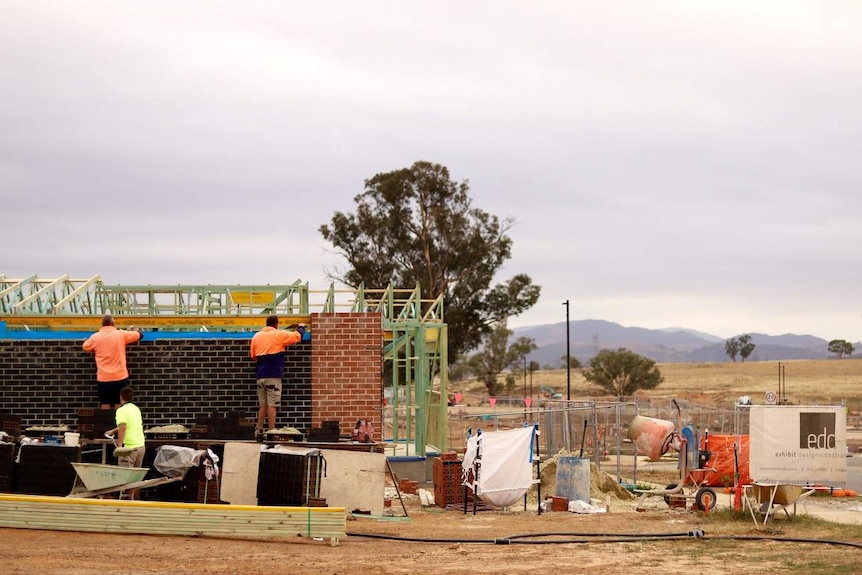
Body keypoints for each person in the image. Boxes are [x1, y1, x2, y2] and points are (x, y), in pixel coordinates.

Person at [250, 315, 304, 440]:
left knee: (262, 405)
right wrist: (301, 327)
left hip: (260, 376)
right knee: (272, 405)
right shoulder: (278, 335)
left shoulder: (256, 337)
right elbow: (297, 337)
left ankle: (258, 430)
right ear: (276, 324)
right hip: (273, 376)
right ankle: (271, 432)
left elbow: (253, 356)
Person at [82, 314, 144, 409]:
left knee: (105, 403)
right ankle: (118, 423)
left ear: (102, 324)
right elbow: (139, 335)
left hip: (103, 377)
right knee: (119, 403)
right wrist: (135, 330)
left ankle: (105, 423)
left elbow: (85, 347)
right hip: (119, 376)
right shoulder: (121, 334)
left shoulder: (96, 337)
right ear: (113, 324)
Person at [114, 386, 145, 500]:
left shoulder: (121, 410)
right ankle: (135, 501)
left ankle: (126, 502)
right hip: (140, 445)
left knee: (125, 477)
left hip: (129, 447)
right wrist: (113, 430)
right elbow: (131, 424)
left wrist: (119, 446)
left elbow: (123, 427)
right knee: (136, 477)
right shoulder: (136, 409)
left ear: (121, 397)